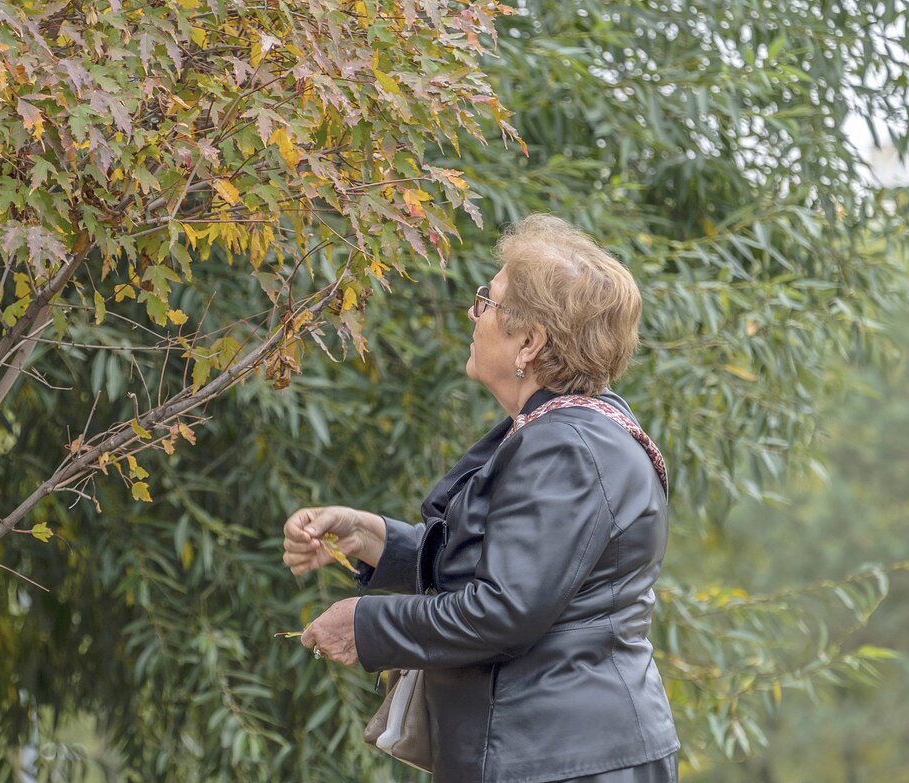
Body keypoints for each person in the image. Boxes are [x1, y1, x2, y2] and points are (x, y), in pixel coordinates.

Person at [282, 214, 679, 783]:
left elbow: (504, 609)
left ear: (530, 341)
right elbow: (504, 560)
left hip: (561, 762)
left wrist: (367, 625)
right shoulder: (562, 431)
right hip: (552, 754)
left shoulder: (568, 447)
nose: (474, 314)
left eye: (486, 301)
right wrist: (373, 538)